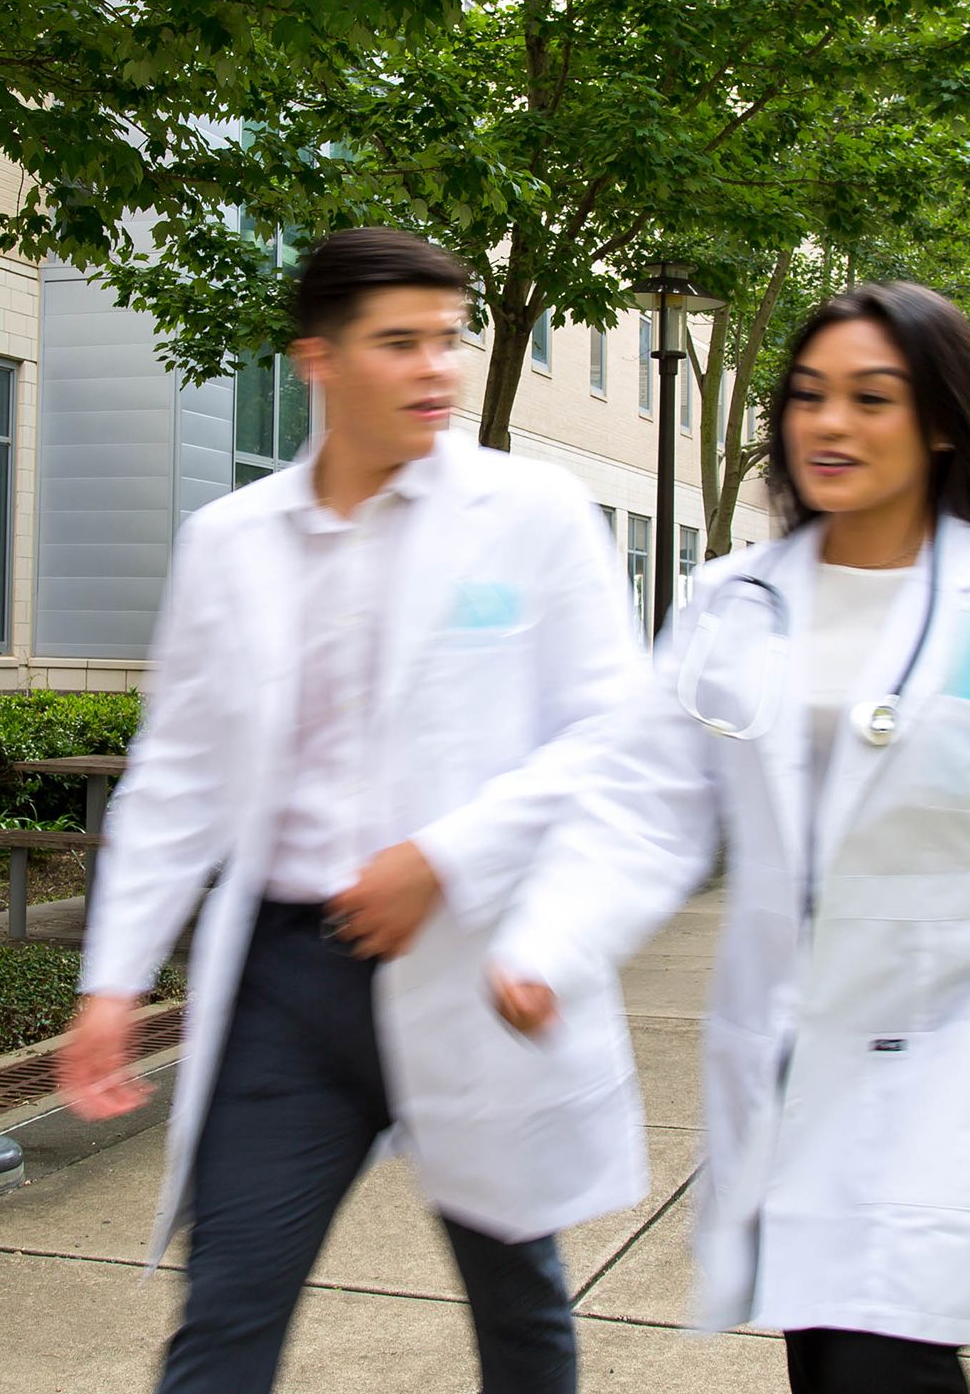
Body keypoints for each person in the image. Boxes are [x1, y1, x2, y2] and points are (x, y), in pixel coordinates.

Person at [489, 281, 970, 1393]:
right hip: (789, 1061)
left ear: (937, 421)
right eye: (809, 397)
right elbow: (648, 801)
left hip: (955, 1060)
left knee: (876, 1363)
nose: (830, 425)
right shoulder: (733, 602)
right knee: (833, 1355)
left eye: (870, 398)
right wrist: (550, 938)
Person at [57, 226, 647, 1393]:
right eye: (399, 344)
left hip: (468, 963)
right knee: (226, 1309)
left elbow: (615, 737)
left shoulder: (531, 513)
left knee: (519, 1309)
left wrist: (446, 857)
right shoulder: (230, 543)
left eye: (449, 339)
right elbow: (174, 779)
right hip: (291, 984)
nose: (436, 369)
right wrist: (111, 985)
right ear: (315, 359)